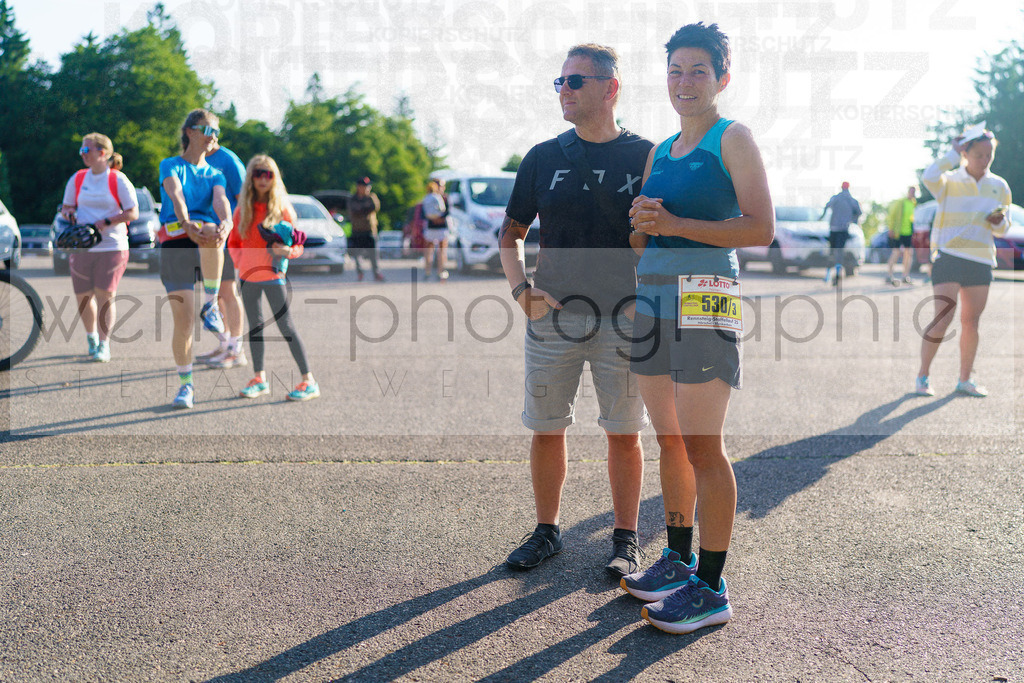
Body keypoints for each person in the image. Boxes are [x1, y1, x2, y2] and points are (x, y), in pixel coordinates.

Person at [622, 22, 774, 634]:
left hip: (707, 299)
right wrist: (642, 222)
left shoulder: (731, 137)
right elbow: (641, 239)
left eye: (698, 71)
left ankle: (711, 585)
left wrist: (676, 223)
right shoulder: (659, 151)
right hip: (654, 301)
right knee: (670, 440)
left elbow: (759, 229)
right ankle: (678, 557)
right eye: (675, 70)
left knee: (704, 444)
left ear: (722, 78)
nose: (684, 81)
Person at [500, 43, 652, 577]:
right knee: (546, 427)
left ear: (610, 88)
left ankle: (625, 538)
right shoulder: (542, 157)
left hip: (628, 319)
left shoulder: (647, 155)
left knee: (625, 432)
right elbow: (510, 235)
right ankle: (547, 532)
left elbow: (659, 240)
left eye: (575, 81)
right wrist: (523, 292)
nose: (563, 90)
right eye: (559, 81)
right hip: (553, 319)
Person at [915, 125, 1011, 398]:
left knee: (971, 323)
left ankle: (964, 380)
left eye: (989, 155)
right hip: (949, 256)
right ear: (966, 153)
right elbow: (929, 175)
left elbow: (1004, 229)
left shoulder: (999, 186)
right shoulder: (948, 181)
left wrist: (999, 221)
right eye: (979, 154)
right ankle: (923, 375)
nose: (984, 160)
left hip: (980, 260)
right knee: (942, 318)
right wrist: (951, 152)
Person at [157, 109, 233, 409]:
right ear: (190, 132)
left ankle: (211, 302)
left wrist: (226, 220)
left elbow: (220, 200)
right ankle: (186, 386)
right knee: (184, 321)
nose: (212, 136)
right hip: (177, 242)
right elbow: (175, 194)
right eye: (207, 129)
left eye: (216, 132)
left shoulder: (216, 173)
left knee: (214, 226)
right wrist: (185, 221)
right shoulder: (170, 164)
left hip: (206, 238)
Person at [228, 155, 320, 402]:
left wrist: (289, 252)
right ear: (251, 177)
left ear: (274, 178)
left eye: (268, 174)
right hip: (247, 275)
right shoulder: (242, 209)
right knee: (255, 327)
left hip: (273, 275)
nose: (262, 179)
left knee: (285, 326)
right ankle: (259, 379)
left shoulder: (283, 209)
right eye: (258, 173)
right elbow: (233, 242)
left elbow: (298, 244)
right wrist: (240, 262)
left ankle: (308, 380)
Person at [59, 133, 140, 362]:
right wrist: (69, 214)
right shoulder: (78, 178)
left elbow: (132, 212)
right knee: (83, 297)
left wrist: (106, 221)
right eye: (81, 151)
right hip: (82, 246)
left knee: (105, 295)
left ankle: (104, 344)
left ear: (102, 153)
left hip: (112, 245)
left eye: (87, 150)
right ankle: (91, 337)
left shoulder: (117, 179)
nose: (83, 154)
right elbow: (66, 207)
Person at [197, 138, 248, 369]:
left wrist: (235, 234)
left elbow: (243, 200)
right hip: (206, 238)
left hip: (225, 238)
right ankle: (225, 343)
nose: (209, 137)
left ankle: (237, 350)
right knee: (216, 293)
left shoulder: (228, 160)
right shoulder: (197, 159)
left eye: (213, 131)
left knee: (228, 291)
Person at [821, 181, 861, 285]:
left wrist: (821, 217)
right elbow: (859, 212)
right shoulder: (852, 200)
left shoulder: (836, 198)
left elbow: (826, 206)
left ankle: (828, 275)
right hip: (844, 229)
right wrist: (852, 220)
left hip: (833, 229)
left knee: (832, 252)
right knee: (839, 252)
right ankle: (838, 273)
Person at [348, 176, 384, 281]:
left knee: (373, 254)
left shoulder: (371, 197)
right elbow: (354, 210)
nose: (367, 188)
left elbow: (375, 207)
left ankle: (376, 273)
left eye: (368, 186)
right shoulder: (352, 198)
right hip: (357, 230)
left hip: (370, 230)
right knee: (357, 254)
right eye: (364, 186)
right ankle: (360, 273)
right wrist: (365, 208)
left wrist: (362, 207)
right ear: (358, 187)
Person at [886, 186, 917, 286]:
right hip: (898, 232)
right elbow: (892, 215)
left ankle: (905, 276)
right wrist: (891, 228)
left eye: (914, 192)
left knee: (909, 253)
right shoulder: (901, 202)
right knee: (896, 252)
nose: (912, 193)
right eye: (911, 191)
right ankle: (889, 275)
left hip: (908, 233)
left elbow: (912, 218)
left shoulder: (913, 203)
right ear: (908, 192)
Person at [421, 178, 451, 281]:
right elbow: (423, 213)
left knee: (442, 251)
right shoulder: (433, 197)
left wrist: (438, 218)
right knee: (429, 250)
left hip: (441, 226)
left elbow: (448, 211)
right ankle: (427, 271)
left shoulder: (445, 198)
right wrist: (435, 219)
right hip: (432, 226)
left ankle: (441, 271)